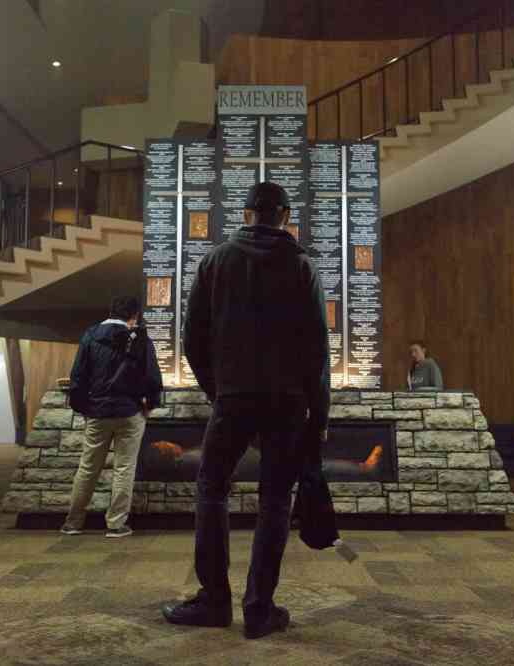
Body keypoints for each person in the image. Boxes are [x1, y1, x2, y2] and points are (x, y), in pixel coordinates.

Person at [161, 182, 330, 639]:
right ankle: (259, 609)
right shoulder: (301, 265)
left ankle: (214, 601)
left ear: (245, 213)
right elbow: (317, 349)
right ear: (285, 216)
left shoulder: (215, 261)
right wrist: (319, 415)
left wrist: (219, 391)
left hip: (233, 397)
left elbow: (193, 339)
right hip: (287, 402)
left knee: (211, 489)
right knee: (275, 499)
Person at [60, 296, 163, 538]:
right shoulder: (140, 339)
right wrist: (150, 404)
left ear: (111, 312)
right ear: (134, 315)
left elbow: (78, 376)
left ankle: (73, 523)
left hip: (97, 412)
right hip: (130, 412)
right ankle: (116, 524)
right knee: (124, 469)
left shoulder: (91, 335)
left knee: (88, 468)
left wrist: (83, 408)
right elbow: (152, 377)